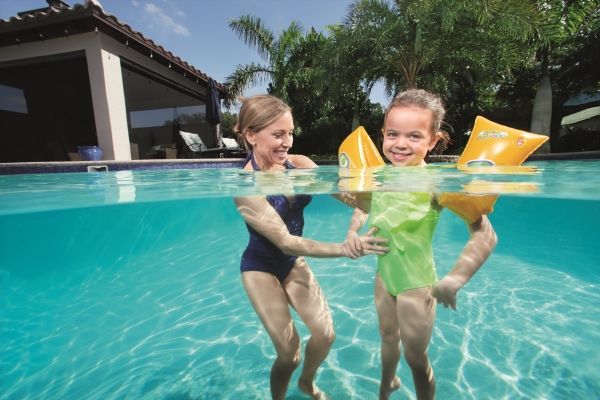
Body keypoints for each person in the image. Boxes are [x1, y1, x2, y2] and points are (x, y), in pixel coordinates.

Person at [344, 89, 498, 400]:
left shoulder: (437, 184)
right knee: (388, 338)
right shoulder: (378, 176)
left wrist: (454, 280)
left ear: (432, 140)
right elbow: (364, 205)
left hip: (416, 283)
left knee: (415, 357)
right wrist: (353, 232)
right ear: (383, 135)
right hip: (384, 275)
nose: (400, 144)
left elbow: (486, 235)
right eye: (393, 134)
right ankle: (386, 387)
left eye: (414, 136)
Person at [233, 94, 389, 400]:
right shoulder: (244, 185)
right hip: (260, 268)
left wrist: (372, 193)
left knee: (326, 334)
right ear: (251, 135)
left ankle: (306, 383)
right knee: (289, 353)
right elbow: (286, 241)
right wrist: (345, 248)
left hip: (292, 263)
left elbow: (347, 197)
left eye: (290, 133)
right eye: (278, 134)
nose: (287, 142)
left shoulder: (300, 164)